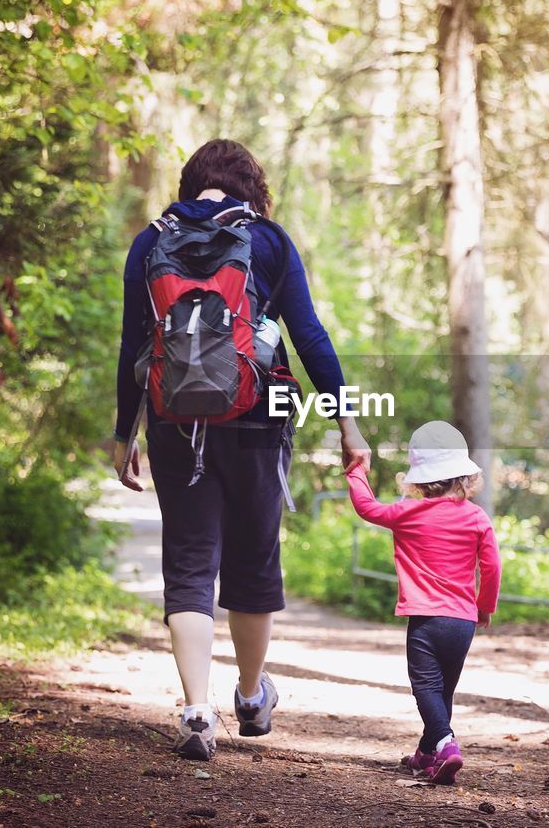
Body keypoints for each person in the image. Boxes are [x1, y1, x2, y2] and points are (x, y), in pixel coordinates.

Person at [112, 139, 371, 760]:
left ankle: (197, 712)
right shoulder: (269, 240)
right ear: (251, 189)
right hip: (261, 416)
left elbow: (133, 344)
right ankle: (252, 698)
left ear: (189, 184)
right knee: (254, 561)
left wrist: (125, 432)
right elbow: (307, 335)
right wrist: (348, 422)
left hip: (176, 422)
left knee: (191, 561)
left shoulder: (152, 242)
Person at [345, 421, 500, 785]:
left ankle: (446, 745)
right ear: (464, 476)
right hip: (462, 622)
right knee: (442, 691)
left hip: (426, 619)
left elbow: (367, 508)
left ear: (418, 479)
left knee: (426, 688)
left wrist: (357, 471)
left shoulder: (408, 514)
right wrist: (485, 606)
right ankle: (426, 755)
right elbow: (491, 566)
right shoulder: (477, 517)